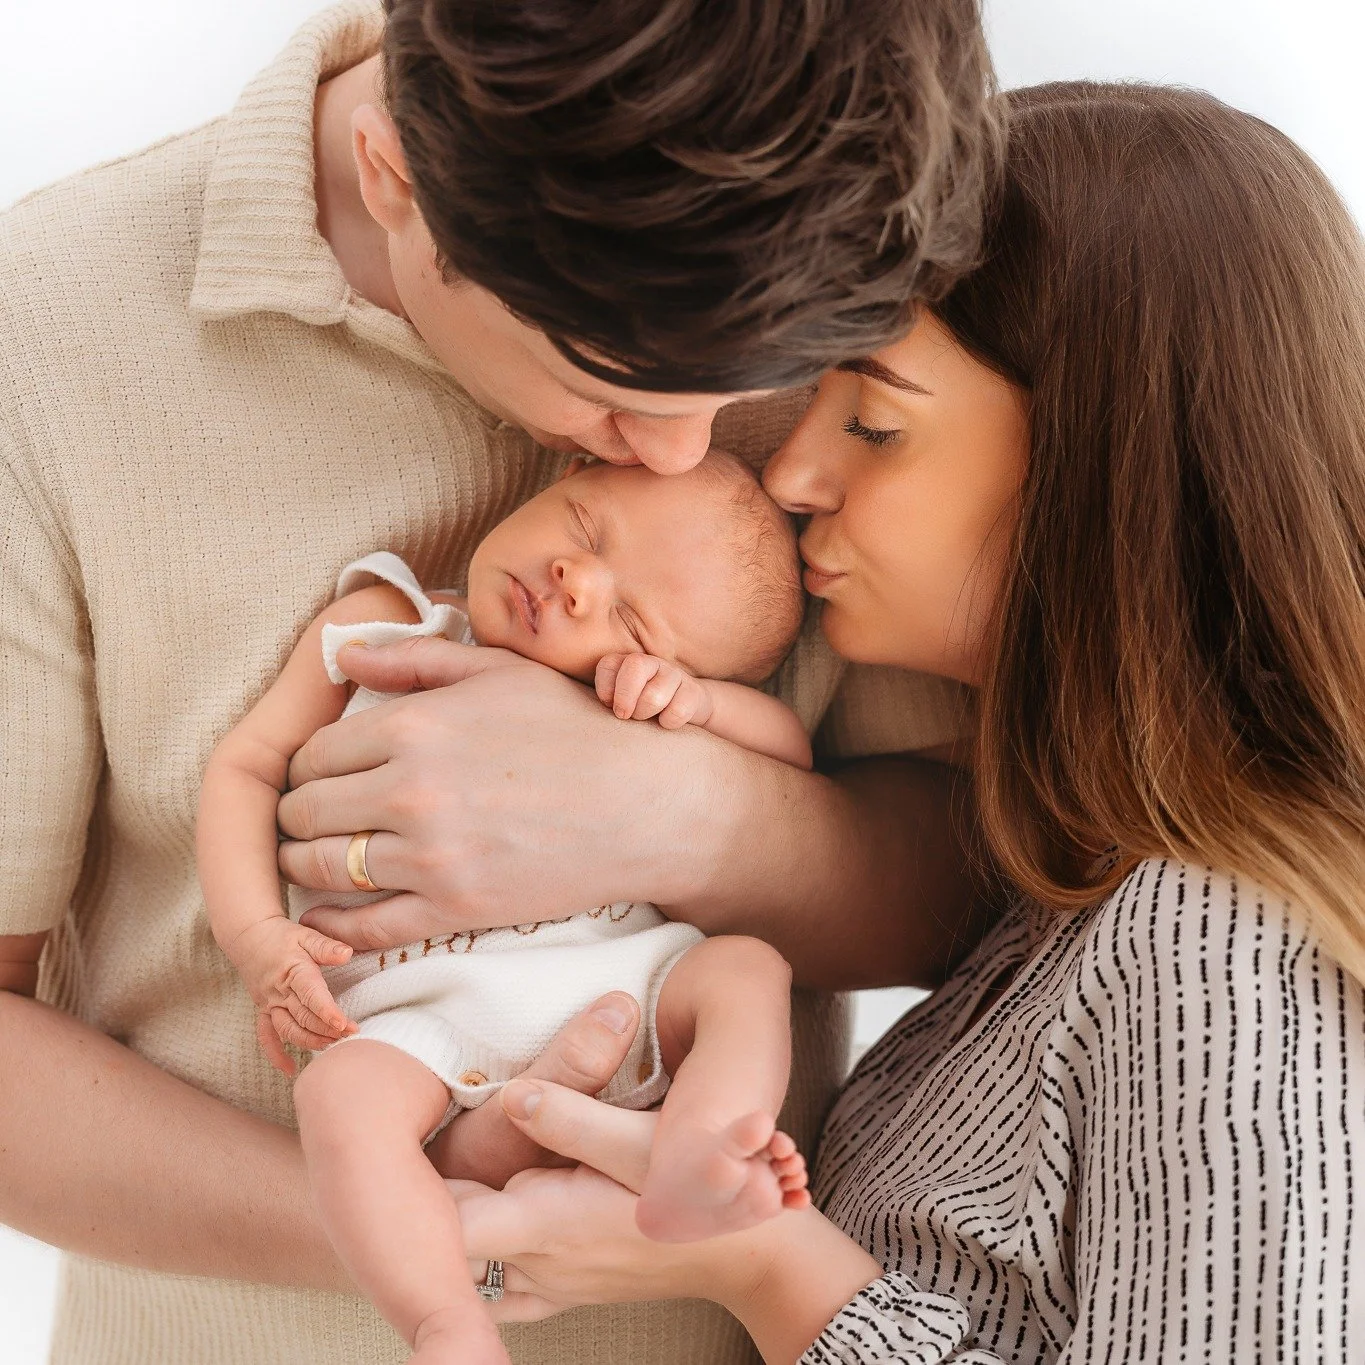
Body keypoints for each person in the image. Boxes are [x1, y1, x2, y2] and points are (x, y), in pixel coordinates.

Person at [0, 2, 999, 1362]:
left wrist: (677, 815)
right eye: (613, 387)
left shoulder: (837, 252)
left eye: (747, 390)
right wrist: (432, 1217)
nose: (690, 453)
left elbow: (994, 895)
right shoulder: (46, 337)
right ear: (391, 176)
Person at [436, 83, 1365, 1361]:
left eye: (873, 424)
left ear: (1102, 472)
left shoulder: (1219, 947)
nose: (793, 474)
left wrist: (761, 1266)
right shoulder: (1081, 895)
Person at [199, 454, 814, 1362]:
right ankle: (444, 1318)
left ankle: (705, 1147)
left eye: (631, 620)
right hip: (418, 1014)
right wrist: (257, 936)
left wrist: (699, 705)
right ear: (560, 473)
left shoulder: (638, 702)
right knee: (338, 1098)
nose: (578, 580)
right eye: (585, 526)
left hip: (617, 981)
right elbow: (247, 766)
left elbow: (788, 752)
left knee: (747, 971)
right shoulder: (387, 624)